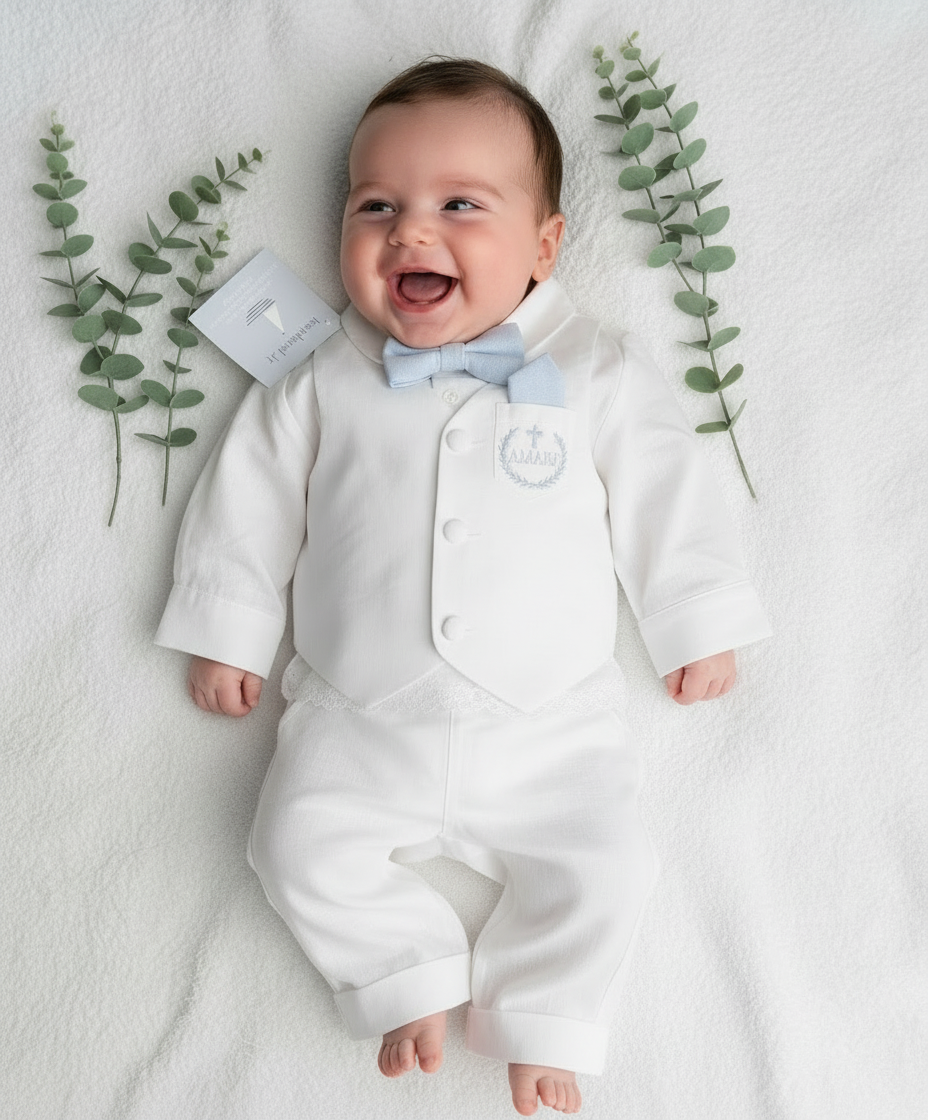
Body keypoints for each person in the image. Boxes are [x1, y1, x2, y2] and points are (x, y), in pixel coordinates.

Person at [155, 58, 770, 1116]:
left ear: (544, 246)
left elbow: (671, 496)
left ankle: (545, 1016)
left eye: (459, 206)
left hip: (551, 723)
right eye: (375, 206)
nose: (409, 231)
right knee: (290, 845)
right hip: (355, 714)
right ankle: (403, 969)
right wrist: (229, 624)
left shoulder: (596, 369)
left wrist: (694, 620)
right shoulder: (322, 374)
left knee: (608, 866)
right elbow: (247, 498)